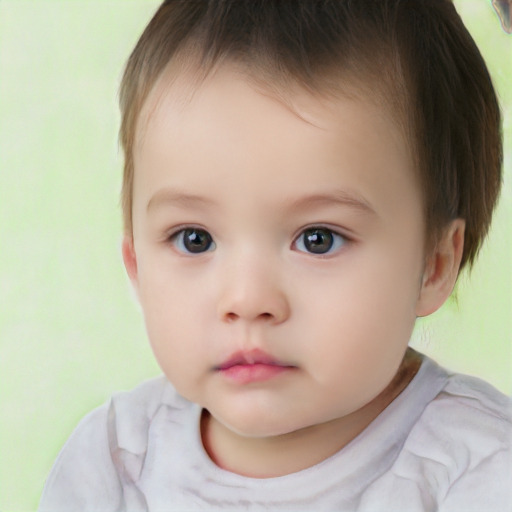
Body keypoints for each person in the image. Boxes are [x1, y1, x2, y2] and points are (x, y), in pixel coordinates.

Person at [39, 1, 511, 510]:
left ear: (433, 264)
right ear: (136, 267)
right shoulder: (113, 466)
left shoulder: (477, 468)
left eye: (318, 239)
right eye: (194, 239)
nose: (247, 299)